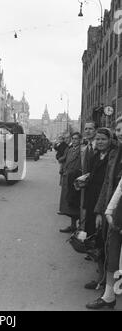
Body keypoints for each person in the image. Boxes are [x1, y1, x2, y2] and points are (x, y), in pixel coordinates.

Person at [86, 117, 122, 310]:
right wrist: (102, 211)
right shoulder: (115, 154)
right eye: (118, 129)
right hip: (115, 212)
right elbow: (108, 184)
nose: (121, 132)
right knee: (112, 252)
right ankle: (108, 295)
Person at [82, 128, 114, 291]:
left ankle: (103, 280)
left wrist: (99, 211)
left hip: (103, 205)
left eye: (103, 139)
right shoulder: (95, 156)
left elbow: (108, 185)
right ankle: (100, 276)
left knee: (102, 242)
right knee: (94, 241)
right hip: (92, 201)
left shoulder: (112, 158)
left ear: (110, 140)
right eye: (98, 139)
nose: (100, 142)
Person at [59, 133, 82, 234]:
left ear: (80, 140)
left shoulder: (82, 150)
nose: (74, 140)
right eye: (73, 139)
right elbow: (64, 159)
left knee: (76, 202)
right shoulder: (69, 149)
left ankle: (80, 227)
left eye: (76, 139)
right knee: (69, 201)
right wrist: (62, 167)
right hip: (67, 177)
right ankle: (72, 225)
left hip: (76, 178)